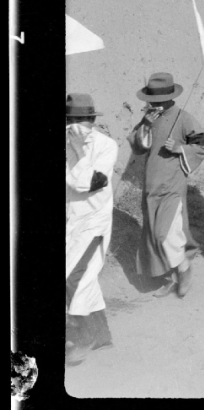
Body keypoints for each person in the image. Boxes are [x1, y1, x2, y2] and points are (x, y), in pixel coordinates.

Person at [128, 72, 204, 299]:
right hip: (151, 184)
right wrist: (145, 125)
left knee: (166, 234)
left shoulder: (183, 118)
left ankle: (184, 269)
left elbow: (202, 145)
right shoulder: (149, 118)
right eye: (150, 102)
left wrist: (180, 149)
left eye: (157, 102)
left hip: (172, 185)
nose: (153, 106)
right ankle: (168, 278)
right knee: (153, 234)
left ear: (169, 98)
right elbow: (138, 146)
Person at [66, 93, 119, 366]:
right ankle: (102, 335)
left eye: (79, 122)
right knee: (85, 278)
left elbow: (91, 183)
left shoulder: (106, 146)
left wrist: (79, 152)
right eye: (69, 121)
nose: (74, 128)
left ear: (91, 121)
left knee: (74, 278)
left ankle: (83, 337)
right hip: (72, 223)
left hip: (94, 224)